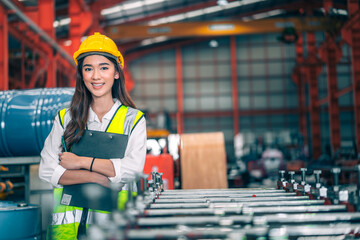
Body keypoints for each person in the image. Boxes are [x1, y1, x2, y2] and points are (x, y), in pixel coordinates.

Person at [39, 32, 147, 239]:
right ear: (82, 75)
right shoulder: (65, 118)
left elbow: (131, 170)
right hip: (67, 230)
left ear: (116, 72)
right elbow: (46, 170)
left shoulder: (133, 120)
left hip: (112, 227)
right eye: (88, 69)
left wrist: (79, 162)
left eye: (104, 68)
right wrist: (96, 177)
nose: (96, 76)